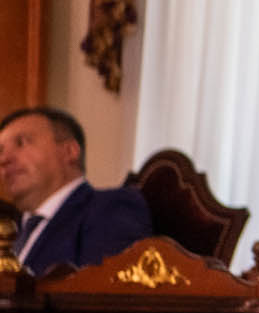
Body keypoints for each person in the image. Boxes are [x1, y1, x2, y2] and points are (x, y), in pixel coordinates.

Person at [0, 106, 152, 276]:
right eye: (1, 151)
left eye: (21, 143)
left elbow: (108, 287)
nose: (4, 159)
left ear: (70, 151)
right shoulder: (10, 228)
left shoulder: (110, 208)